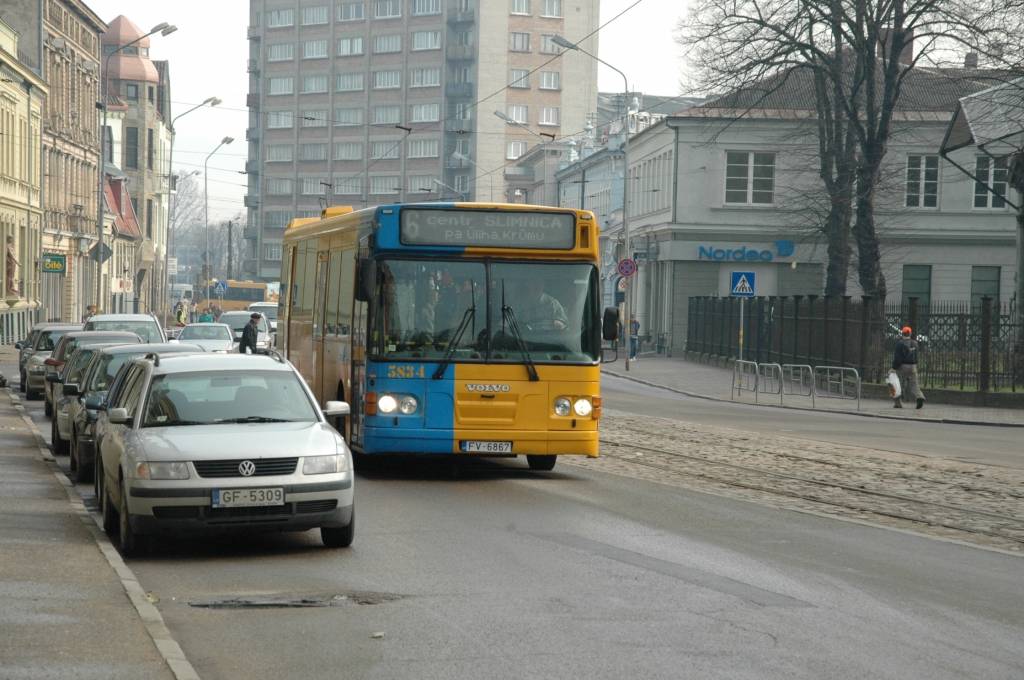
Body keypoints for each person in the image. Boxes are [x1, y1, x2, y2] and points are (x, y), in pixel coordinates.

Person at [892, 325, 925, 409]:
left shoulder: (899, 344)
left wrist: (894, 367)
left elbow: (897, 358)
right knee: (914, 384)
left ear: (902, 333)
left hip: (902, 366)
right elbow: (916, 356)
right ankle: (919, 396)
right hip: (913, 366)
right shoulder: (915, 343)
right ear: (910, 333)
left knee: (898, 384)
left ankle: (898, 403)